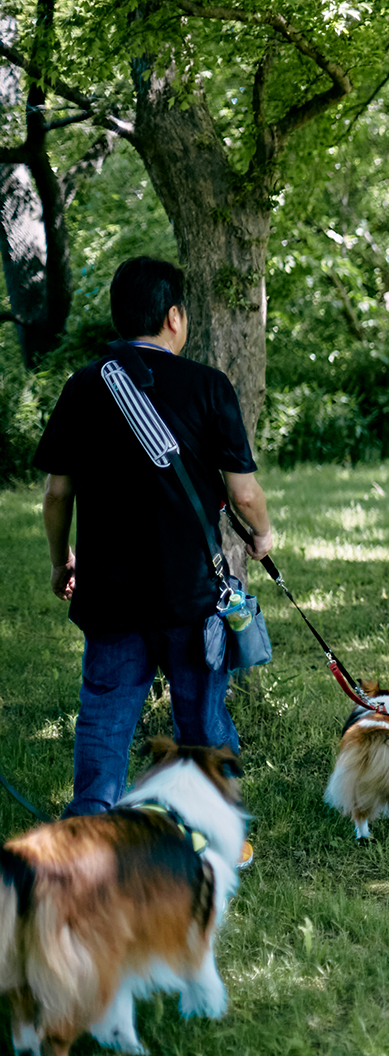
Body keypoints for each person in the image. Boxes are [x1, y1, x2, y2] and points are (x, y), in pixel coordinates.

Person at [34, 257, 275, 834]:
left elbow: (54, 494)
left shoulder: (83, 386)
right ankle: (220, 831)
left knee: (105, 718)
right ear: (174, 317)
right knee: (203, 718)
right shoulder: (209, 387)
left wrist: (60, 560)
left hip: (110, 592)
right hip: (189, 594)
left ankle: (88, 830)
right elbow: (243, 496)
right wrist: (264, 536)